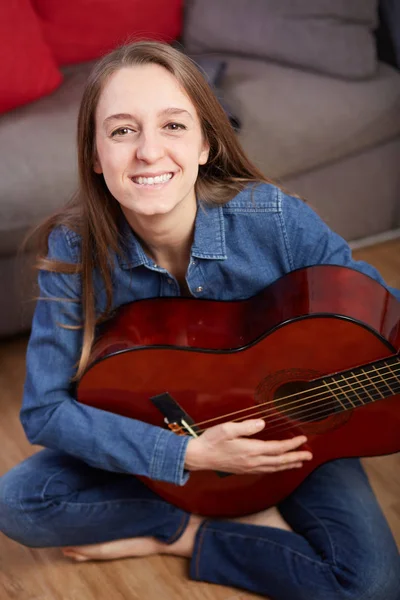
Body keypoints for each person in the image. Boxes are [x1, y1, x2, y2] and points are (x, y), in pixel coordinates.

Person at [0, 41, 399, 600]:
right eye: (121, 131)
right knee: (19, 505)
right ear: (94, 154)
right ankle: (191, 526)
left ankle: (185, 536)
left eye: (173, 125)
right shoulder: (76, 252)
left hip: (296, 442)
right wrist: (190, 454)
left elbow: (377, 309)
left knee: (372, 587)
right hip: (161, 440)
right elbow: (44, 411)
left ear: (206, 143)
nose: (148, 152)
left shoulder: (276, 219)